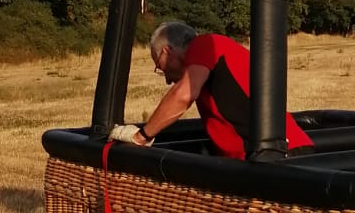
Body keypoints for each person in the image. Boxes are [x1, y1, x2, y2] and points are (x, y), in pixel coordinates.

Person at [110, 21, 313, 158]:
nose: (168, 80)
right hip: (270, 154)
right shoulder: (209, 63)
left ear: (167, 51)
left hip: (279, 155)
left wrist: (141, 137)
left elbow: (183, 95)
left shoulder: (204, 44)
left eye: (161, 68)